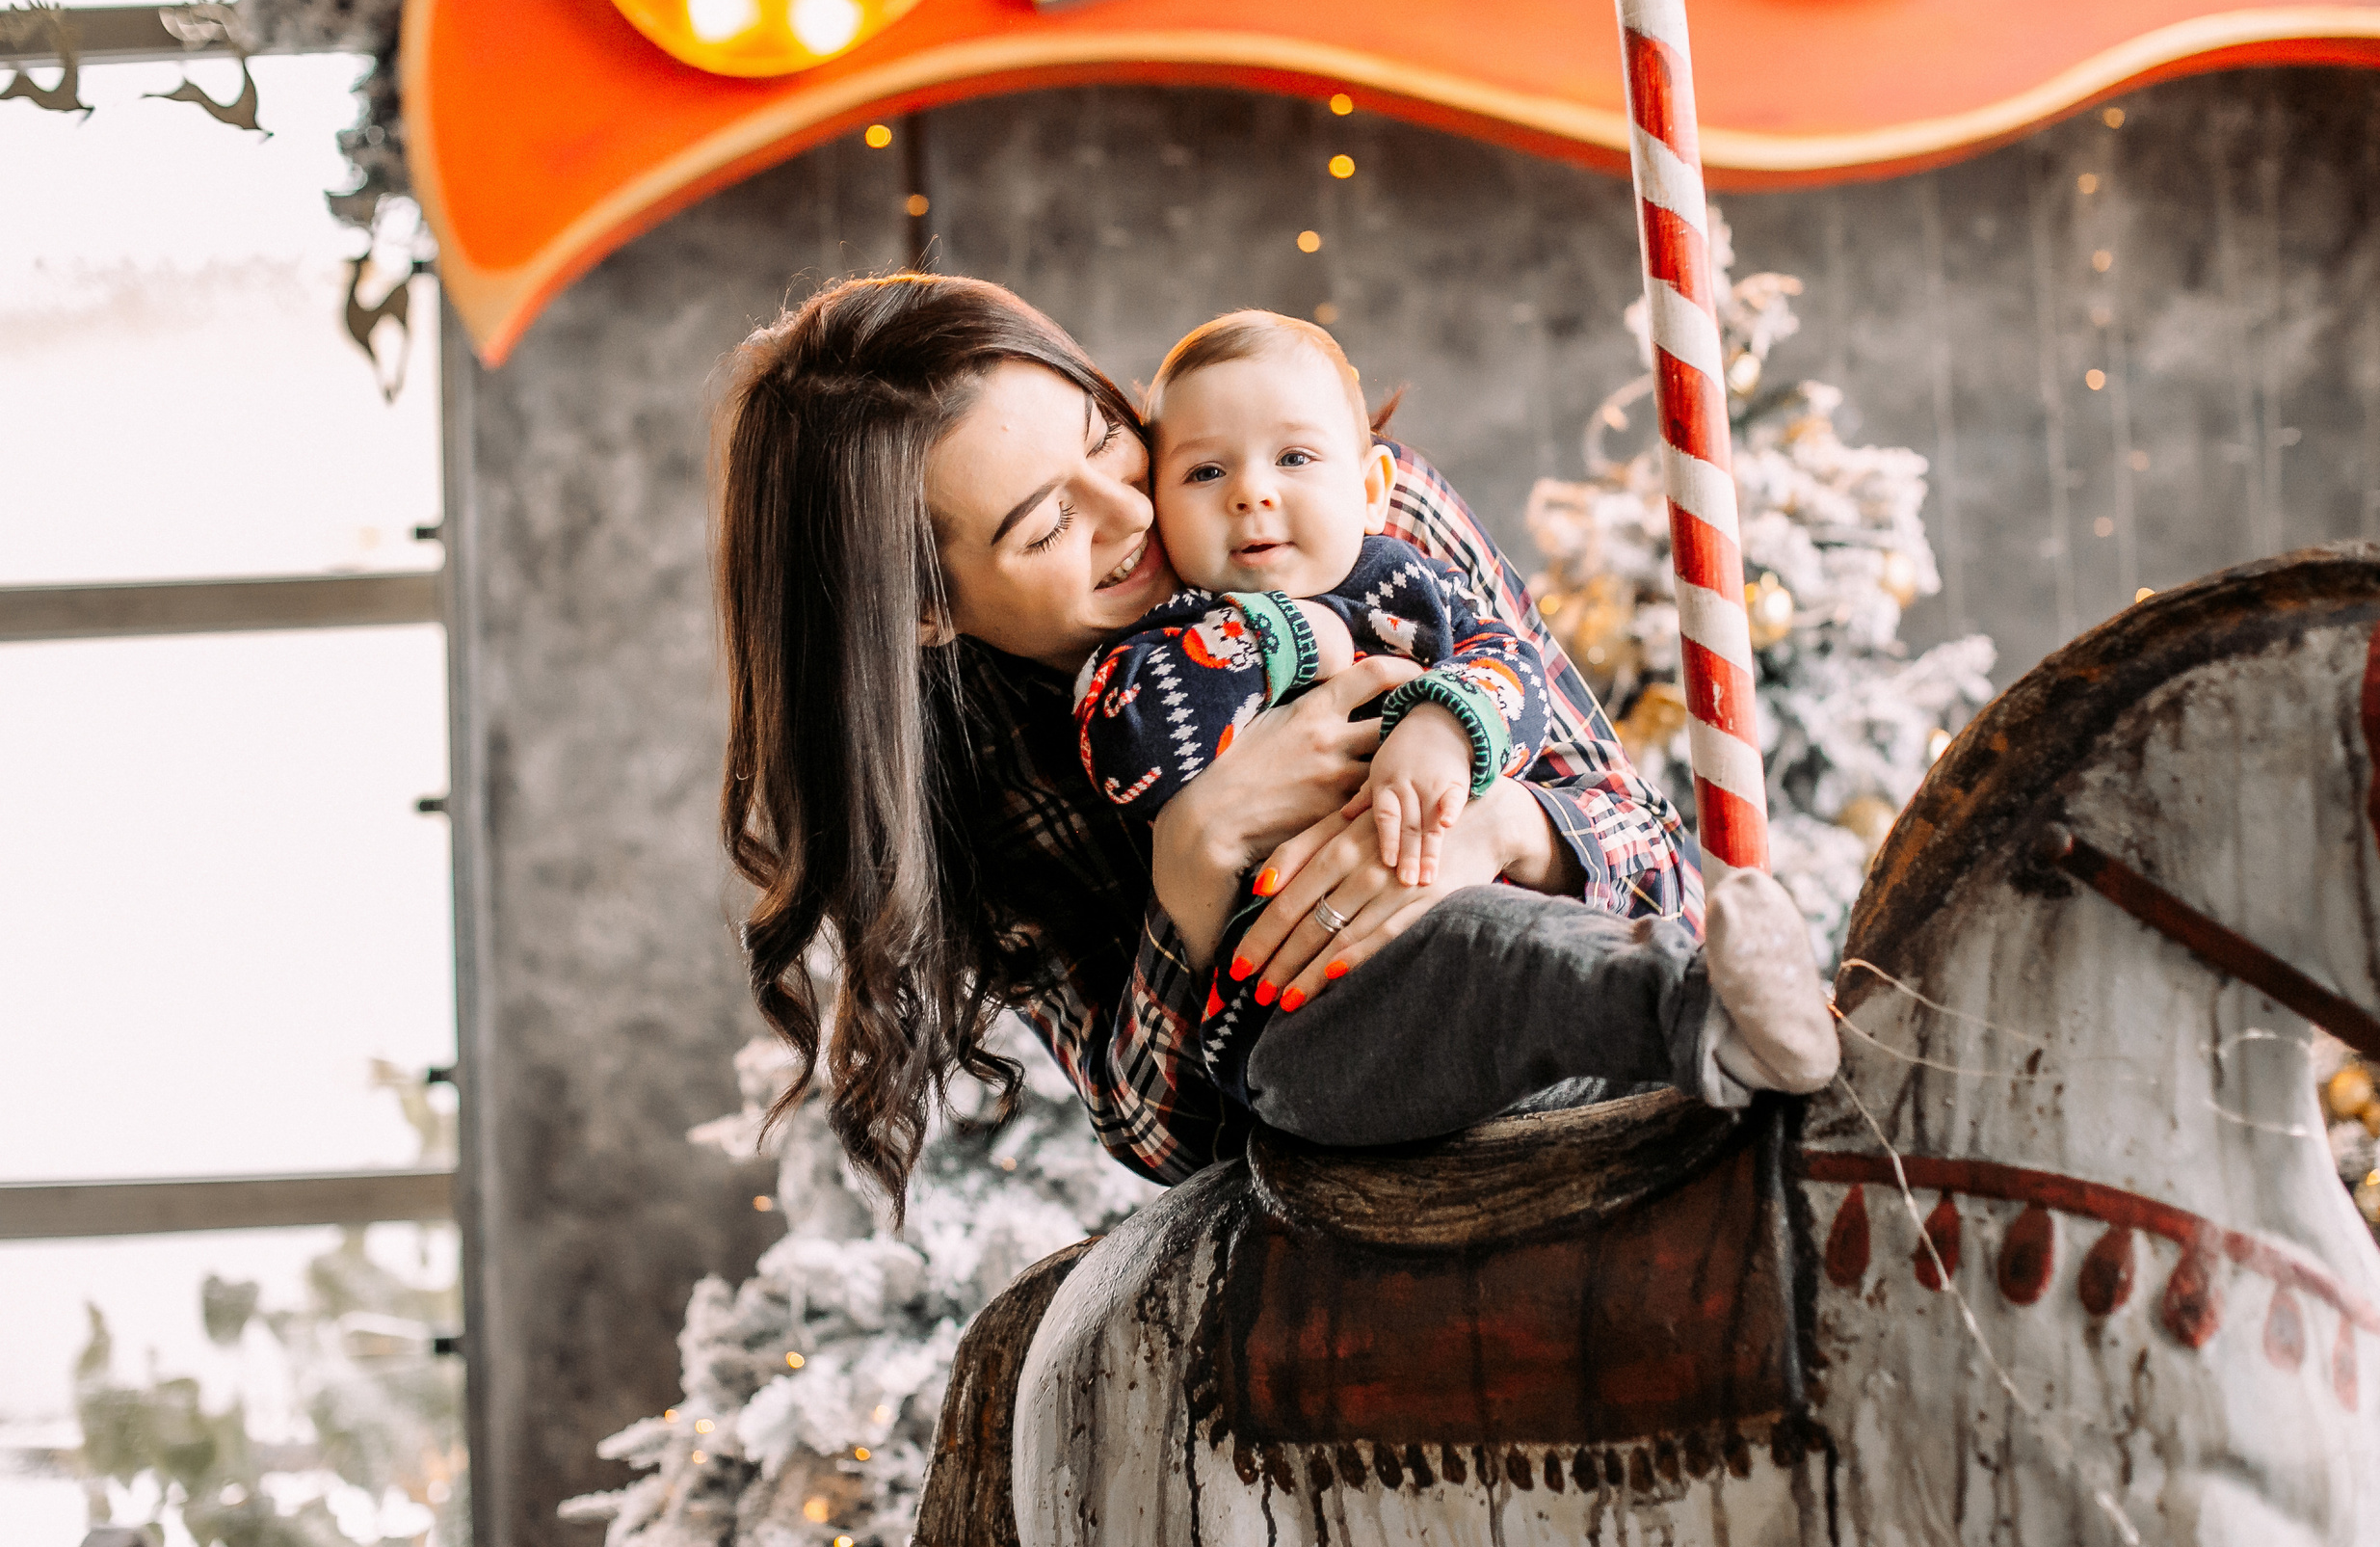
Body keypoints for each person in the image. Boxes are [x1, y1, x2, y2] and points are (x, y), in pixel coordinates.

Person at [710, 272, 1837, 1214]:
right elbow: (1158, 1140)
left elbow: (1666, 871)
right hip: (1330, 1069)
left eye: (1110, 437)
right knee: (1444, 979)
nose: (1136, 511)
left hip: (1569, 994)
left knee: (1500, 939)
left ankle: (1704, 1017)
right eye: (1049, 523)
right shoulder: (968, 761)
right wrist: (1195, 855)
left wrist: (1496, 824)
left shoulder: (1354, 520)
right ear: (921, 610)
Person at [1071, 310, 1834, 1110]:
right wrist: (1289, 634)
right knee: (1492, 948)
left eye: (1294, 457)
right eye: (1204, 474)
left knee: (1530, 950)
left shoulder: (1407, 589)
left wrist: (1449, 719)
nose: (1252, 492)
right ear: (1157, 506)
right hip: (1307, 1027)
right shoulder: (1160, 641)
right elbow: (1128, 749)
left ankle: (1724, 1012)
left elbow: (1513, 672)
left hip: (1489, 962)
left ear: (1370, 492)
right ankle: (1713, 1012)